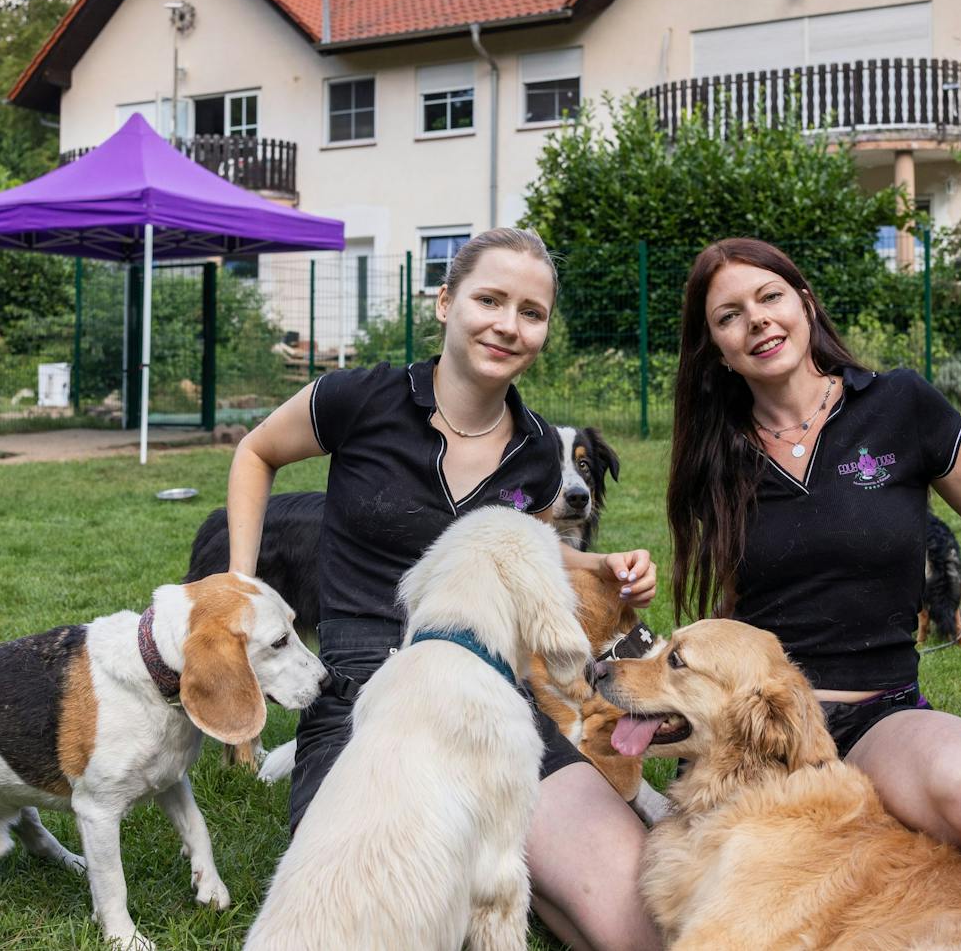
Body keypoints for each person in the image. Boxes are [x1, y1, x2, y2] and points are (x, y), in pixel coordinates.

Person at [225, 227, 662, 951]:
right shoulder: (358, 398)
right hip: (365, 694)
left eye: (531, 311)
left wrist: (602, 564)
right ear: (446, 302)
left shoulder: (533, 453)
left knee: (632, 914)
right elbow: (256, 452)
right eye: (489, 299)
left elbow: (507, 542)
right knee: (387, 914)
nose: (508, 324)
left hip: (493, 702)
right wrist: (242, 585)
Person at [666, 237, 961, 852]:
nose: (756, 319)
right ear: (720, 352)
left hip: (878, 715)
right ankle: (830, 818)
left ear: (805, 306)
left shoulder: (899, 405)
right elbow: (736, 613)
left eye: (769, 297)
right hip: (763, 724)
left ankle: (846, 806)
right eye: (729, 316)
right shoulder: (717, 456)